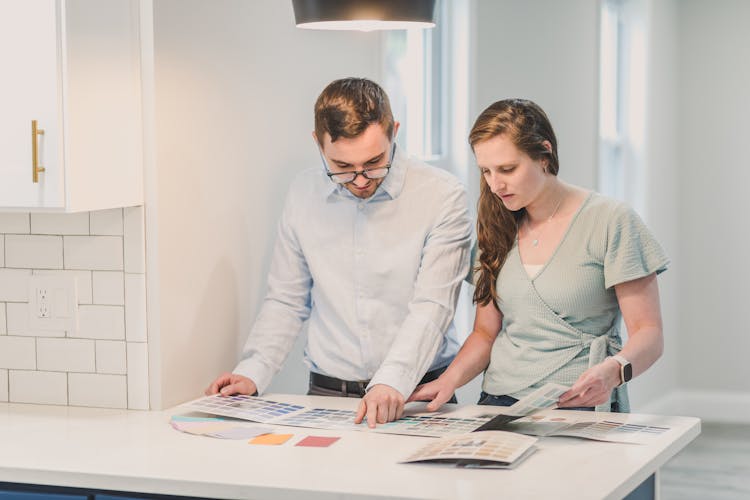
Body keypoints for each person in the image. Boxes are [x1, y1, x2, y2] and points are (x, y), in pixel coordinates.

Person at [206, 78, 472, 426]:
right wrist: (253, 372)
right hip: (327, 395)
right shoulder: (304, 193)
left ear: (395, 131)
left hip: (416, 394)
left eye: (375, 161)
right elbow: (287, 299)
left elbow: (432, 308)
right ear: (318, 143)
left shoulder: (442, 195)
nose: (361, 180)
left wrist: (392, 380)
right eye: (343, 167)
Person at [409, 98, 668, 412]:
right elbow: (484, 332)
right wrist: (448, 380)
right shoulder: (495, 228)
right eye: (486, 171)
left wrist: (614, 372)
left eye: (507, 169)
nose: (495, 184)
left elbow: (649, 333)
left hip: (578, 401)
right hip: (498, 402)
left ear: (545, 154)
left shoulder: (611, 221)